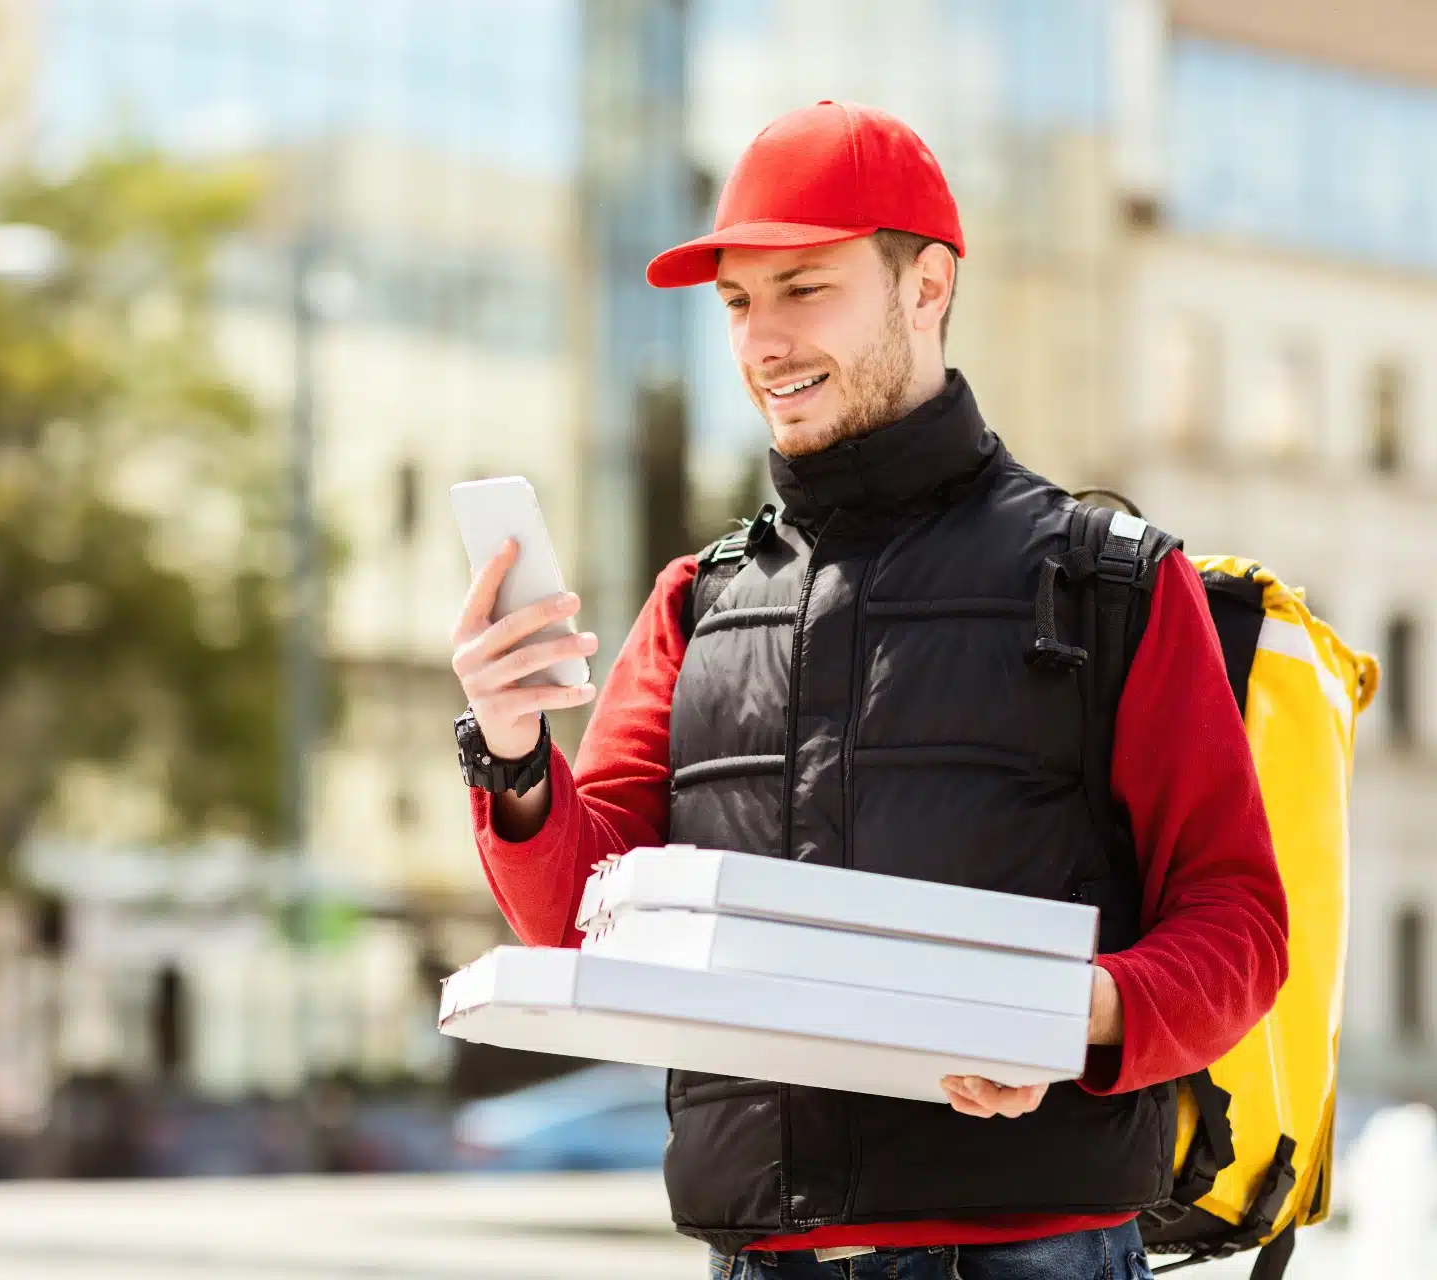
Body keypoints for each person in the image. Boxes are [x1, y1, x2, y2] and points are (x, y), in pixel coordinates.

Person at [449, 101, 1286, 1280]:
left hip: (1027, 1255)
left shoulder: (1110, 580)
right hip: (766, 1256)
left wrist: (1067, 1016)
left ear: (927, 283)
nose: (764, 342)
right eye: (739, 302)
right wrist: (517, 747)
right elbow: (585, 912)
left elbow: (1241, 926)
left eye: (807, 288)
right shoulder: (698, 602)